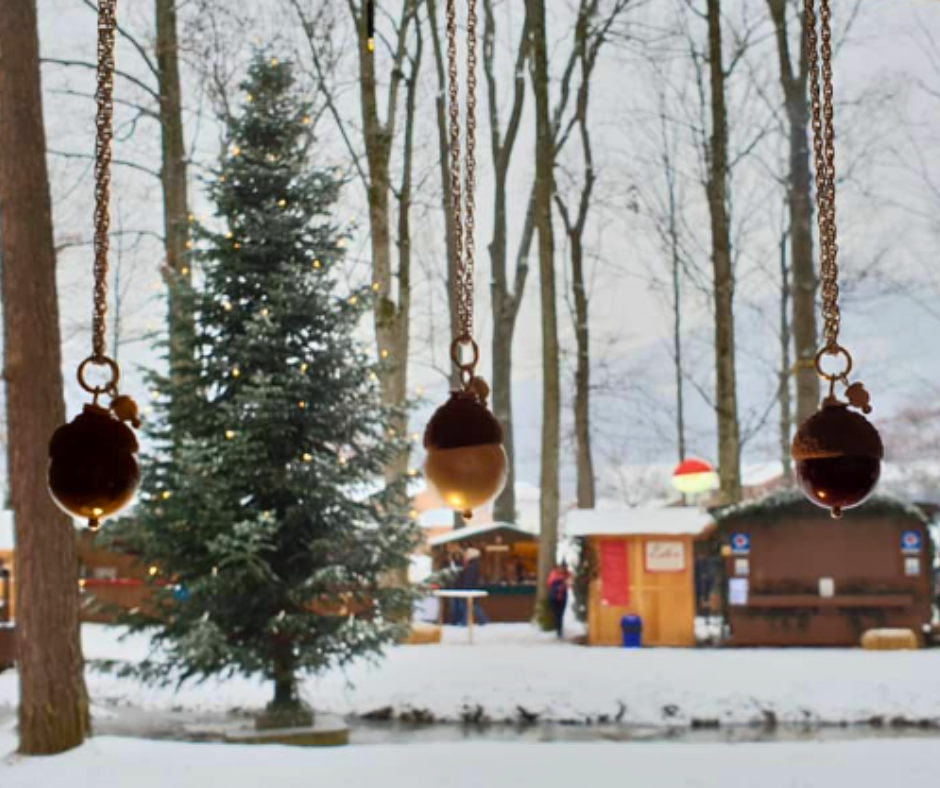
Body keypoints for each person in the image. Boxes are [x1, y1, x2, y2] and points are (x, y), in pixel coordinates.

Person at [546, 562, 571, 639]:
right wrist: (562, 583)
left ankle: (559, 630)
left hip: (562, 597)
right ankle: (558, 630)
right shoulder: (554, 574)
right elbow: (550, 583)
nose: (562, 569)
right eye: (561, 567)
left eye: (564, 567)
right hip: (554, 597)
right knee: (557, 614)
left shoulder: (567, 575)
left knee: (560, 614)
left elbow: (569, 585)